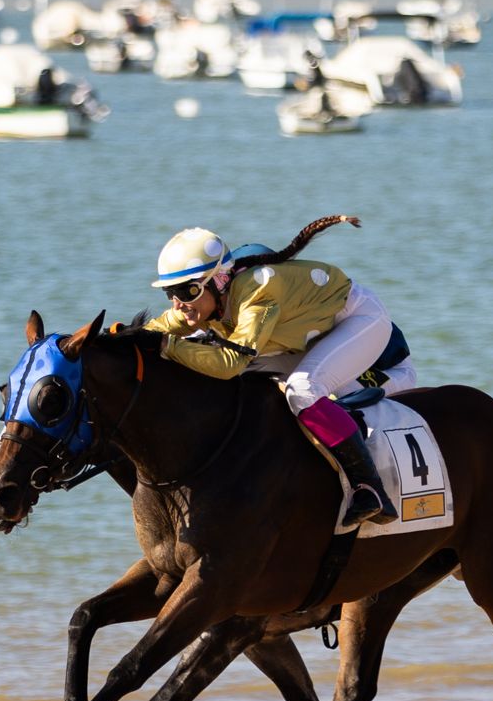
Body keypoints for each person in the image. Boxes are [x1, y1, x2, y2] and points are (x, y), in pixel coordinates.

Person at [145, 216, 415, 527]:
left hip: (358, 320)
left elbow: (229, 362)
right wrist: (111, 339)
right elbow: (158, 329)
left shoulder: (256, 294)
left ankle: (369, 488)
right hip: (303, 339)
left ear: (218, 281)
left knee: (302, 389)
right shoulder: (209, 301)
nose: (178, 304)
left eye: (186, 291)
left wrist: (168, 347)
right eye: (171, 293)